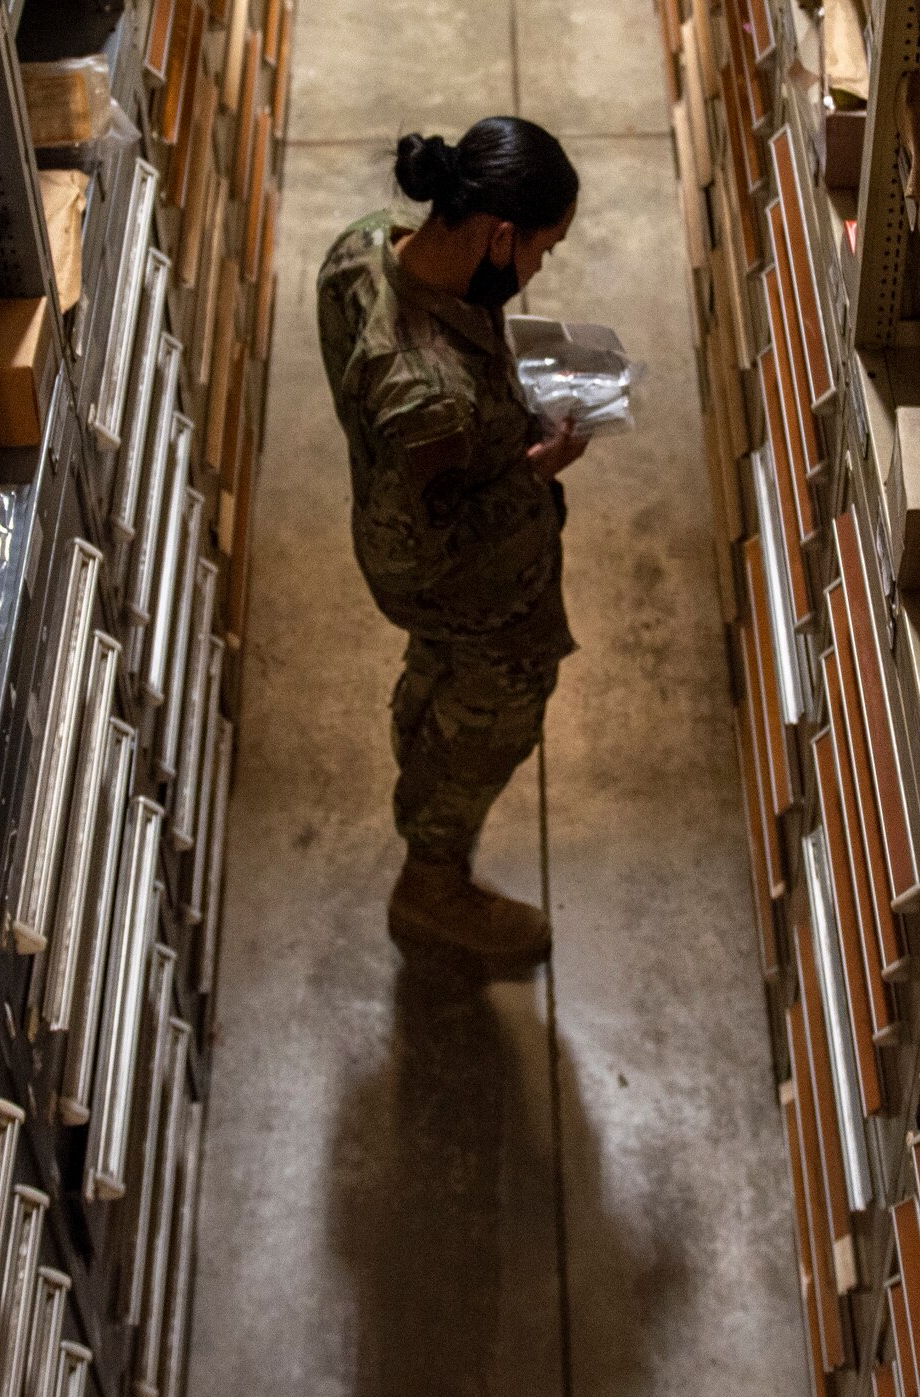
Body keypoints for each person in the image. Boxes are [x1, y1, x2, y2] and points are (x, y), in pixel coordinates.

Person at [316, 117, 588, 976]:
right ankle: (430, 887)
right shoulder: (431, 401)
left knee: (442, 685)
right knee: (484, 729)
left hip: (418, 538)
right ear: (500, 236)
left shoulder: (362, 248)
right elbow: (424, 552)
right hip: (470, 597)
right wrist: (537, 468)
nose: (540, 269)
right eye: (542, 251)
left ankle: (427, 712)